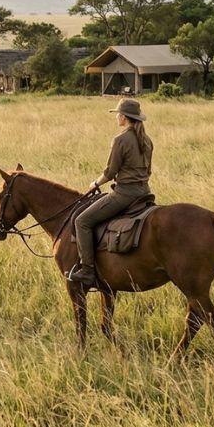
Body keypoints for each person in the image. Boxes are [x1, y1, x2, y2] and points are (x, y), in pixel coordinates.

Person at [69, 98, 153, 287]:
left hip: (124, 195)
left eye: (117, 114)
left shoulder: (121, 140)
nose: (116, 117)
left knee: (81, 221)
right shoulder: (147, 140)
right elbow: (148, 171)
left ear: (123, 117)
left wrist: (94, 184)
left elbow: (110, 172)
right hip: (144, 193)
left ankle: (87, 270)